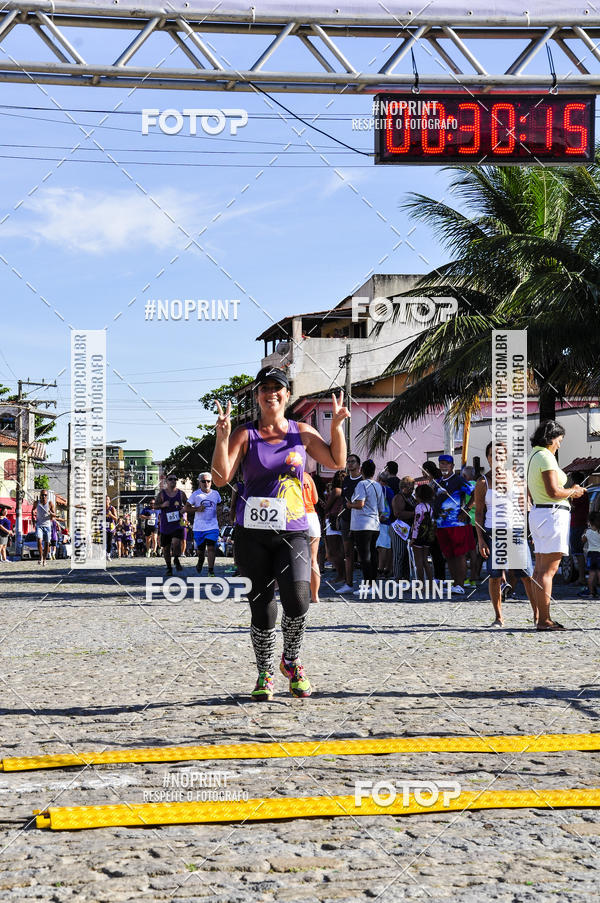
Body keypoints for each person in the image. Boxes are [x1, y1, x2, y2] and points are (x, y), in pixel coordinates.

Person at [211, 365, 349, 701]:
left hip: (293, 530)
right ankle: (265, 673)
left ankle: (291, 659)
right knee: (261, 607)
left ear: (287, 395)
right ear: (257, 396)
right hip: (252, 533)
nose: (270, 393)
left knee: (298, 600)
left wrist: (336, 427)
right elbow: (219, 478)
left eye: (277, 388)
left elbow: (337, 462)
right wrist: (222, 436)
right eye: (265, 388)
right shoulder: (245, 434)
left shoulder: (301, 432)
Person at [527, 420, 585, 630]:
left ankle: (541, 617)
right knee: (548, 571)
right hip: (552, 515)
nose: (560, 444)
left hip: (540, 514)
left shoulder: (534, 455)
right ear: (551, 438)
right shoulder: (546, 457)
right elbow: (553, 491)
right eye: (559, 440)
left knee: (539, 570)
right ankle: (544, 620)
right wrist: (573, 492)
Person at [475, 441, 535, 627]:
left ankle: (537, 615)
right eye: (493, 455)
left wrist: (531, 531)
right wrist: (480, 540)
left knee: (526, 574)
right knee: (494, 576)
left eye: (501, 454)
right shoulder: (483, 482)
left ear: (506, 457)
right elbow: (478, 513)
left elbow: (526, 507)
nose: (497, 458)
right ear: (488, 458)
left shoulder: (517, 478)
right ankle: (499, 617)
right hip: (493, 533)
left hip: (516, 531)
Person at [433, 454, 475, 595]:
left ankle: (460, 585)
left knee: (460, 554)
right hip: (441, 525)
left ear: (452, 466)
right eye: (441, 463)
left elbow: (475, 493)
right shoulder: (437, 482)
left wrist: (466, 509)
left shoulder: (458, 480)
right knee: (449, 555)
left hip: (457, 524)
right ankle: (455, 584)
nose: (443, 466)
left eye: (446, 463)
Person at [347, 459, 386, 591]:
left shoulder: (361, 484)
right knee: (372, 554)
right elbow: (381, 508)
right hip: (374, 524)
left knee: (364, 556)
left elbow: (360, 504)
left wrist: (349, 505)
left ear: (362, 470)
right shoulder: (378, 486)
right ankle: (373, 583)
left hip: (362, 525)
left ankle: (368, 584)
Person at [186, 472, 222, 577]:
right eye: (203, 481)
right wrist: (197, 509)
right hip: (199, 527)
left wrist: (219, 514)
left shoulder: (216, 494)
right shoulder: (196, 495)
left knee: (211, 548)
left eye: (208, 481)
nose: (206, 483)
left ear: (211, 482)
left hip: (212, 526)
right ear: (199, 482)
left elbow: (219, 505)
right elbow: (187, 508)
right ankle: (200, 561)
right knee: (201, 551)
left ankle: (211, 570)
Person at [337, 453, 363, 593]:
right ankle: (348, 583)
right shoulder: (346, 480)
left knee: (364, 553)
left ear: (359, 464)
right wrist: (338, 516)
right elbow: (343, 500)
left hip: (361, 520)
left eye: (352, 461)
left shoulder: (363, 480)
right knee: (348, 553)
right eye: (348, 462)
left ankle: (368, 584)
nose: (350, 464)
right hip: (346, 519)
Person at [156, 474, 188, 577]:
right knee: (166, 548)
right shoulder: (162, 494)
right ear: (167, 481)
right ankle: (169, 567)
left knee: (176, 542)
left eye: (175, 479)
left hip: (177, 524)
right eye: (171, 479)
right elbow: (155, 506)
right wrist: (162, 505)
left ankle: (176, 558)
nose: (173, 481)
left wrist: (184, 509)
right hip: (165, 525)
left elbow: (187, 504)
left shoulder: (181, 493)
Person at [421, 462, 446, 580]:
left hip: (435, 520)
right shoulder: (433, 483)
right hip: (433, 519)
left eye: (423, 470)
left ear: (426, 470)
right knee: (435, 550)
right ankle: (439, 576)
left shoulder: (435, 484)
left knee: (436, 550)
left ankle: (439, 576)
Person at [390, 476, 416, 581]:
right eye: (410, 488)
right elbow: (398, 513)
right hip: (398, 529)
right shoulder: (399, 497)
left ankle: (406, 576)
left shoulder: (411, 497)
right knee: (399, 553)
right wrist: (414, 513)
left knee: (407, 554)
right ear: (403, 487)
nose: (412, 490)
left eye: (413, 488)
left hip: (408, 529)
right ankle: (397, 577)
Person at [323, 470, 345, 584]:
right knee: (340, 550)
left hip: (332, 520)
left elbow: (327, 507)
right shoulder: (345, 491)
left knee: (333, 551)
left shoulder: (336, 490)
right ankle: (343, 575)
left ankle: (341, 575)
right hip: (340, 521)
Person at [410, 483, 435, 585]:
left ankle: (421, 584)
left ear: (418, 496)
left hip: (419, 536)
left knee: (418, 562)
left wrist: (413, 538)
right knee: (425, 561)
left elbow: (417, 523)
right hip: (427, 535)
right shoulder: (429, 507)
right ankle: (430, 583)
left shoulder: (419, 507)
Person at [302, 471, 321, 604]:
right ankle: (315, 596)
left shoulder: (286, 476)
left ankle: (297, 594)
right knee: (313, 560)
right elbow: (315, 500)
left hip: (297, 516)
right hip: (312, 516)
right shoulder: (308, 477)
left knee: (294, 559)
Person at [461, 464, 481, 587]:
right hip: (479, 521)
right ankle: (474, 578)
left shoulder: (466, 486)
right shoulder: (479, 484)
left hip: (468, 521)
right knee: (475, 551)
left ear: (464, 475)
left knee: (465, 552)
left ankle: (465, 578)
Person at [569, 471, 590, 587]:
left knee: (578, 551)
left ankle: (581, 578)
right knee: (577, 551)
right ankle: (581, 577)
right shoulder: (582, 492)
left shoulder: (579, 492)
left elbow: (572, 507)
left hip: (577, 524)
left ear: (573, 480)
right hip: (578, 523)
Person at [376, 472, 394, 577]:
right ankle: (388, 568)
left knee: (382, 547)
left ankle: (380, 569)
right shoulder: (390, 490)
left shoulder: (381, 489)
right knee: (387, 546)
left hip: (382, 520)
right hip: (389, 520)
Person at [32, 489, 56, 566]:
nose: (44, 496)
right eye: (42, 495)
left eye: (45, 495)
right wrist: (33, 519)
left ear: (47, 496)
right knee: (39, 540)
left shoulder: (50, 503)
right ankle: (40, 557)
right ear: (40, 496)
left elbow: (54, 515)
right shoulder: (37, 503)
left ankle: (44, 560)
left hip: (47, 526)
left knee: (47, 543)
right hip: (39, 525)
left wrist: (51, 513)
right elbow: (32, 510)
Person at [579, 511, 600, 598]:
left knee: (591, 574)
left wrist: (585, 533)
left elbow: (583, 541)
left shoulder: (587, 531)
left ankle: (591, 593)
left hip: (591, 554)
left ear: (590, 521)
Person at [106, 495, 117, 560]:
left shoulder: (112, 508)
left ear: (109, 501)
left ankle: (108, 554)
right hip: (103, 526)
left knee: (109, 542)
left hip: (111, 527)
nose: (106, 501)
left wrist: (110, 515)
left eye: (107, 499)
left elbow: (116, 518)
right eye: (105, 499)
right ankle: (103, 553)